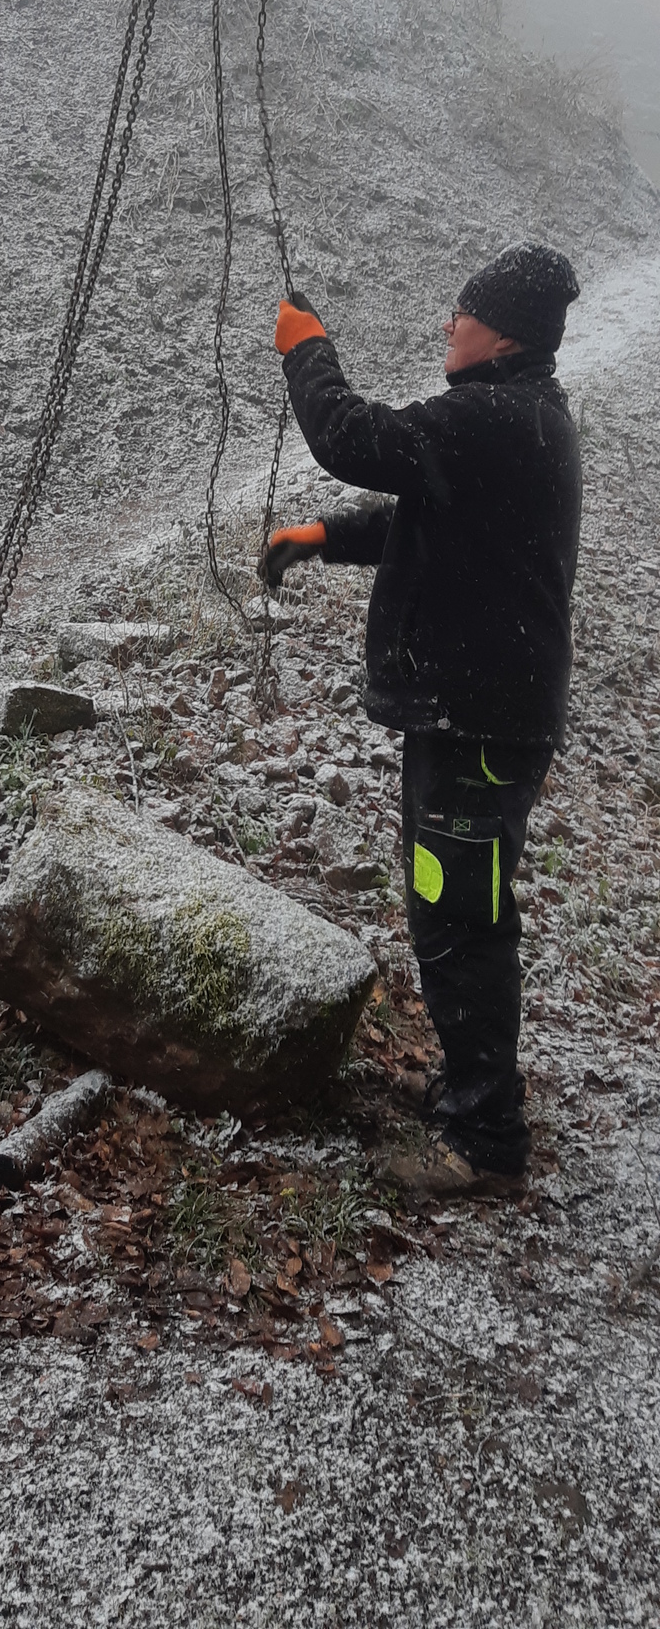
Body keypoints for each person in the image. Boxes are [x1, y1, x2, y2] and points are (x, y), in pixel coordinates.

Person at [261, 244, 582, 1194]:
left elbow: (349, 436)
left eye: (462, 312)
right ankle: (469, 1088)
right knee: (452, 906)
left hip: (479, 722)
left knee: (461, 919)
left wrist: (306, 347)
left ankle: (485, 1141)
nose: (449, 323)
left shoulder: (491, 417)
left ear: (503, 334)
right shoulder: (519, 417)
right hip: (478, 715)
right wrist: (327, 536)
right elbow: (433, 516)